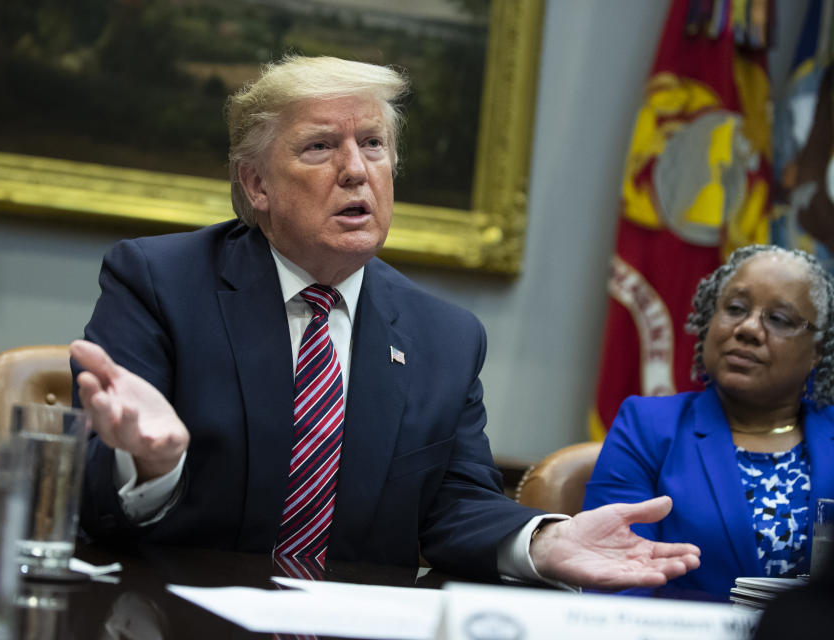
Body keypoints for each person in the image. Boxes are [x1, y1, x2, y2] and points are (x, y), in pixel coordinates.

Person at [71, 55, 700, 589]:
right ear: (256, 183)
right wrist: (149, 467)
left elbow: (455, 506)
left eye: (372, 144)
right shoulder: (160, 283)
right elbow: (93, 497)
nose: (355, 169)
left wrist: (540, 543)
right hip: (174, 615)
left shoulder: (444, 337)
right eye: (320, 146)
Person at [584, 244, 834, 596]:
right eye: (735, 309)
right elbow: (619, 583)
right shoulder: (648, 427)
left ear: (817, 351)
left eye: (778, 319)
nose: (748, 328)